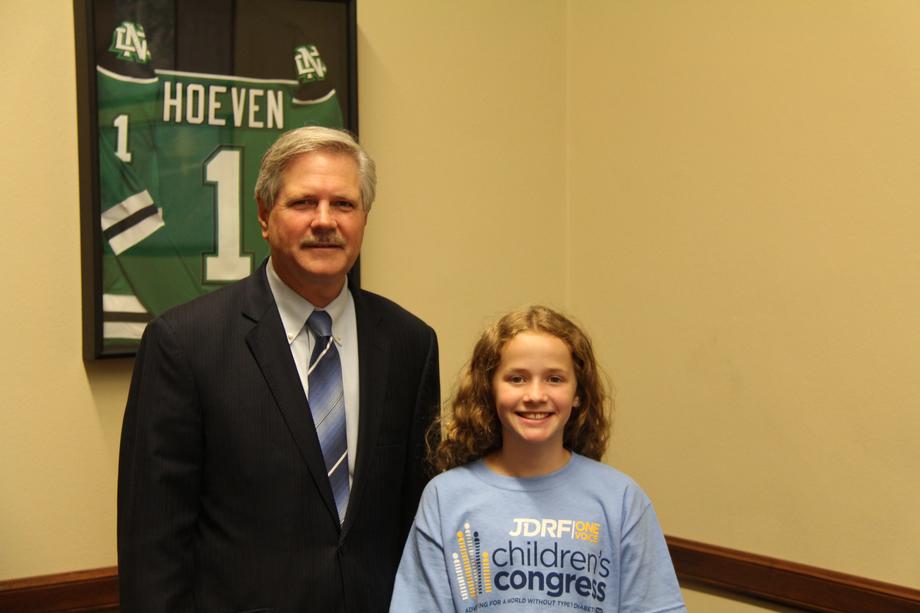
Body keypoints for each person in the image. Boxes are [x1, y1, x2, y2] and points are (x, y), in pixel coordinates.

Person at [117, 127, 440, 612]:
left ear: (364, 218)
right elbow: (152, 545)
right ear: (265, 215)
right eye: (304, 203)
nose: (325, 221)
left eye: (344, 204)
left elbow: (418, 518)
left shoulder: (410, 343)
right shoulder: (184, 344)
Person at [389, 306, 686, 612]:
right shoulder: (445, 498)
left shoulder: (621, 500)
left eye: (554, 379)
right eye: (517, 378)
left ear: (578, 393)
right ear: (489, 388)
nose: (535, 395)